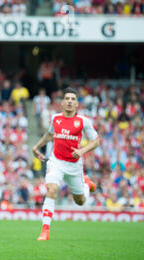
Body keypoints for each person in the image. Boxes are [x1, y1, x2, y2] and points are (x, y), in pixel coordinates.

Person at [32, 87, 100, 241]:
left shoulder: (83, 121)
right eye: (67, 99)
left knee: (80, 201)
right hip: (56, 162)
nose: (70, 101)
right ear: (62, 103)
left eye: (73, 99)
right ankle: (45, 231)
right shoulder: (55, 118)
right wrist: (36, 147)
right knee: (51, 189)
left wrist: (82, 151)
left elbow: (96, 141)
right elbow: (50, 134)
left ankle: (87, 184)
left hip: (74, 165)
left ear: (77, 104)